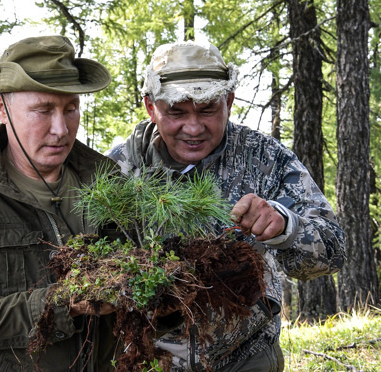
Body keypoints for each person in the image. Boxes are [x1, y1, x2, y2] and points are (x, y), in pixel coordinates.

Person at [107, 40, 346, 372]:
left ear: (229, 102)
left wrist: (284, 227)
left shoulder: (264, 158)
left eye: (207, 110)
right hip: (149, 360)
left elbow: (333, 250)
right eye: (176, 112)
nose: (193, 128)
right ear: (151, 107)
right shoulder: (119, 170)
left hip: (245, 357)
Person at [0, 35, 119, 372]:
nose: (61, 129)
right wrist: (61, 305)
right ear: (1, 107)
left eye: (71, 108)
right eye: (43, 110)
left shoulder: (106, 180)